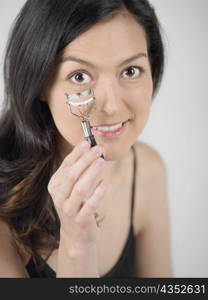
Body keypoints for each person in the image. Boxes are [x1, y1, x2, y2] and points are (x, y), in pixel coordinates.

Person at [0, 0, 172, 278]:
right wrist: (77, 244)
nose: (113, 107)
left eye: (130, 71)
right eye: (79, 76)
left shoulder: (147, 170)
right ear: (39, 83)